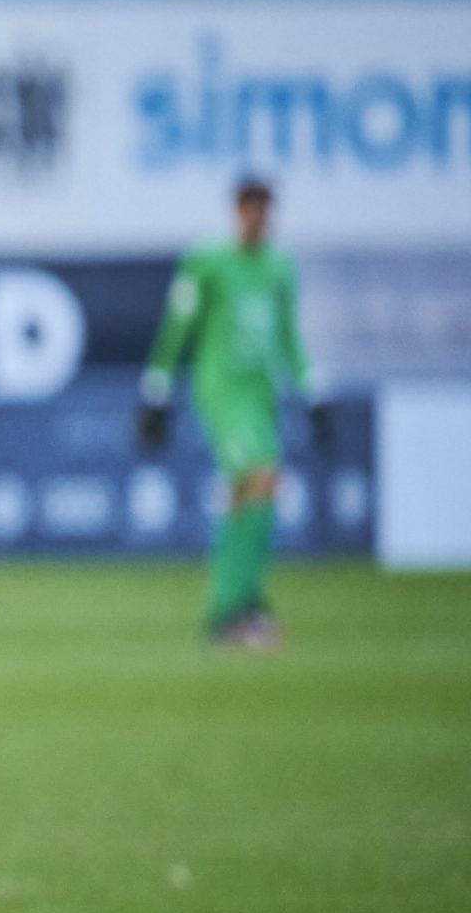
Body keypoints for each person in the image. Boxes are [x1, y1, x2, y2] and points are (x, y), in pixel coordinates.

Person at [137, 174, 328, 649]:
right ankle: (242, 606)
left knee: (247, 494)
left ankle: (230, 608)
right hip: (222, 391)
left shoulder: (280, 268)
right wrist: (156, 388)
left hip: (262, 394)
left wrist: (313, 390)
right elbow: (177, 327)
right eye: (250, 209)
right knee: (262, 477)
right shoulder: (207, 263)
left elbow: (290, 336)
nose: (257, 219)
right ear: (236, 212)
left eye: (265, 210)